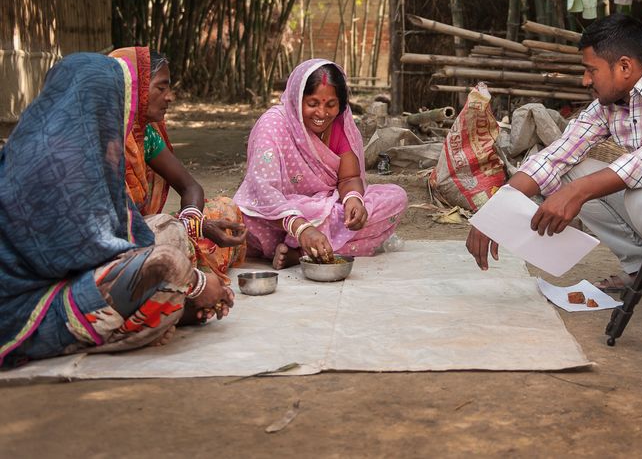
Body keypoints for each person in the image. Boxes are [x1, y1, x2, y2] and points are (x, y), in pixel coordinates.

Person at [466, 13, 642, 322]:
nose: (585, 80)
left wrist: (578, 193)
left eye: (591, 70)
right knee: (569, 175)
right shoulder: (609, 103)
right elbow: (555, 157)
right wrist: (494, 214)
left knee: (640, 197)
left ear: (624, 66)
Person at [0, 53, 233, 368]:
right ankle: (143, 325)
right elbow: (82, 252)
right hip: (28, 305)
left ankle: (167, 310)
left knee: (169, 229)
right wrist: (198, 285)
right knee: (168, 266)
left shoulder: (74, 142)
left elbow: (115, 233)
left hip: (60, 275)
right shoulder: (56, 160)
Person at [234, 59, 408, 268]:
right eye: (313, 103)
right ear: (297, 99)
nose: (322, 113)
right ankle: (310, 245)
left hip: (326, 211)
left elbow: (349, 177)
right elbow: (263, 190)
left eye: (331, 105)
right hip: (279, 215)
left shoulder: (340, 125)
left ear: (341, 105)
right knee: (243, 219)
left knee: (396, 197)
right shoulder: (273, 124)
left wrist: (353, 200)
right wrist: (302, 229)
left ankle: (299, 253)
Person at [109, 47, 248, 286]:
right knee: (171, 246)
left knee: (225, 208)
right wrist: (188, 229)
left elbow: (190, 187)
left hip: (152, 229)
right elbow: (115, 228)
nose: (170, 96)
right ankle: (178, 275)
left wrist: (192, 221)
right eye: (161, 88)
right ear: (134, 88)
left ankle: (183, 271)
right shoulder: (106, 139)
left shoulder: (145, 134)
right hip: (121, 243)